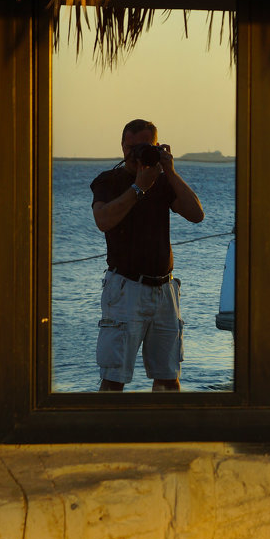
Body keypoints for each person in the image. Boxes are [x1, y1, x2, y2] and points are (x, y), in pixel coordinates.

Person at [90, 119, 205, 392]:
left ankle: (165, 433)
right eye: (130, 147)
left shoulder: (163, 182)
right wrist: (137, 188)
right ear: (122, 146)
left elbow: (196, 214)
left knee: (168, 377)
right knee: (113, 377)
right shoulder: (109, 181)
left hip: (165, 290)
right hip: (125, 288)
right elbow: (103, 220)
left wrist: (170, 172)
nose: (135, 155)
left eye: (143, 147)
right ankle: (108, 435)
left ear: (157, 146)